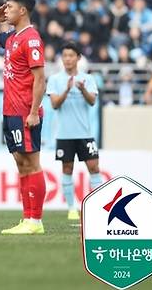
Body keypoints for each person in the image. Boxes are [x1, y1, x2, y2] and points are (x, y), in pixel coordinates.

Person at [0, 0, 47, 235]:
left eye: (9, 7)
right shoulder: (12, 37)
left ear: (22, 10)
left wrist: (33, 112)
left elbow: (40, 79)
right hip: (11, 110)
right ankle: (27, 217)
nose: (6, 10)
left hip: (25, 111)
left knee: (32, 164)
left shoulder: (31, 39)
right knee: (21, 164)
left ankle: (36, 220)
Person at [46, 42, 102, 221]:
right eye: (65, 56)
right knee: (67, 168)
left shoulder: (88, 79)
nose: (67, 59)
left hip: (85, 133)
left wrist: (83, 89)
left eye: (71, 56)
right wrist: (67, 89)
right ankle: (71, 208)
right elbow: (54, 104)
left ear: (78, 58)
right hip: (65, 134)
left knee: (94, 167)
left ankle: (96, 206)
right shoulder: (55, 79)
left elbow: (92, 101)